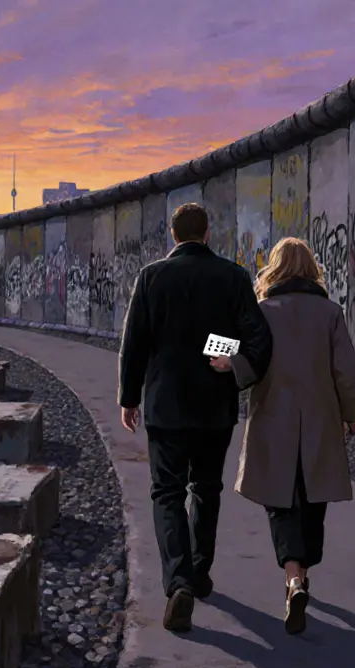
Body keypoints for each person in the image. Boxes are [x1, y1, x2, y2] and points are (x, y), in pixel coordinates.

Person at [117, 202, 274, 633]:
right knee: (206, 489)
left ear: (173, 235)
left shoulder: (151, 278)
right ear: (207, 233)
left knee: (166, 492)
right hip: (213, 405)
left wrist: (129, 398)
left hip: (166, 405)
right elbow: (257, 338)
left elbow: (136, 344)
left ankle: (178, 582)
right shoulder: (234, 277)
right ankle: (200, 573)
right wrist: (229, 359)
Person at [210, 237, 355, 635]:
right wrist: (352, 414)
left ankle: (293, 578)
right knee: (312, 498)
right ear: (312, 268)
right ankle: (304, 573)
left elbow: (240, 353)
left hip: (273, 416)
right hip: (320, 419)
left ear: (274, 268)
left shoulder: (263, 311)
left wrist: (224, 362)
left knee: (281, 501)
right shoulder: (330, 313)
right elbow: (345, 369)